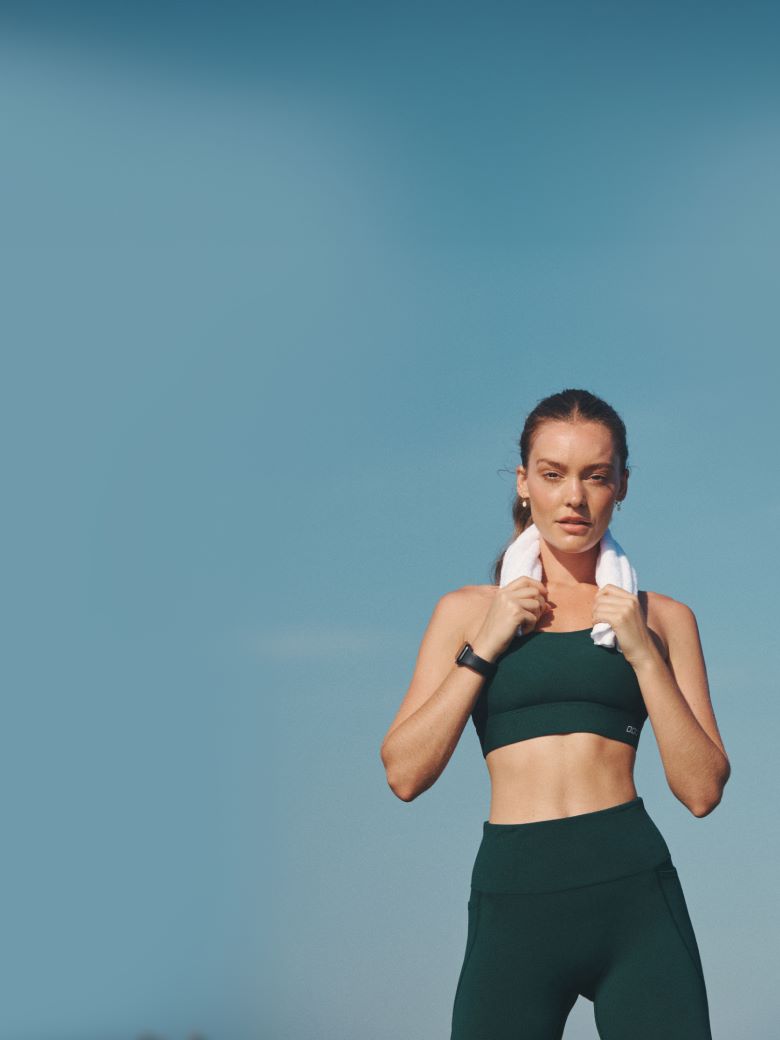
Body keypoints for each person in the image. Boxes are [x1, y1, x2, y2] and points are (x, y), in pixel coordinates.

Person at [379, 388, 730, 1040]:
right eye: (553, 474)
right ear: (523, 483)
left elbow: (703, 790)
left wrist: (645, 656)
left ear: (622, 484)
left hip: (633, 897)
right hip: (514, 899)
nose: (575, 497)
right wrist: (485, 642)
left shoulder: (665, 619)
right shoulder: (465, 611)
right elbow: (404, 772)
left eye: (596, 476)